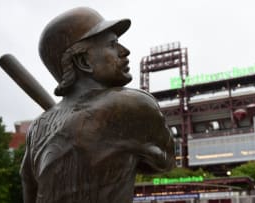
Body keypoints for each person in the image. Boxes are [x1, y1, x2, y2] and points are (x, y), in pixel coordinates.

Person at [20, 7, 174, 203]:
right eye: (112, 44)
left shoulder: (38, 126)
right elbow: (165, 163)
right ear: (83, 61)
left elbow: (29, 189)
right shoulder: (132, 104)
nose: (124, 51)